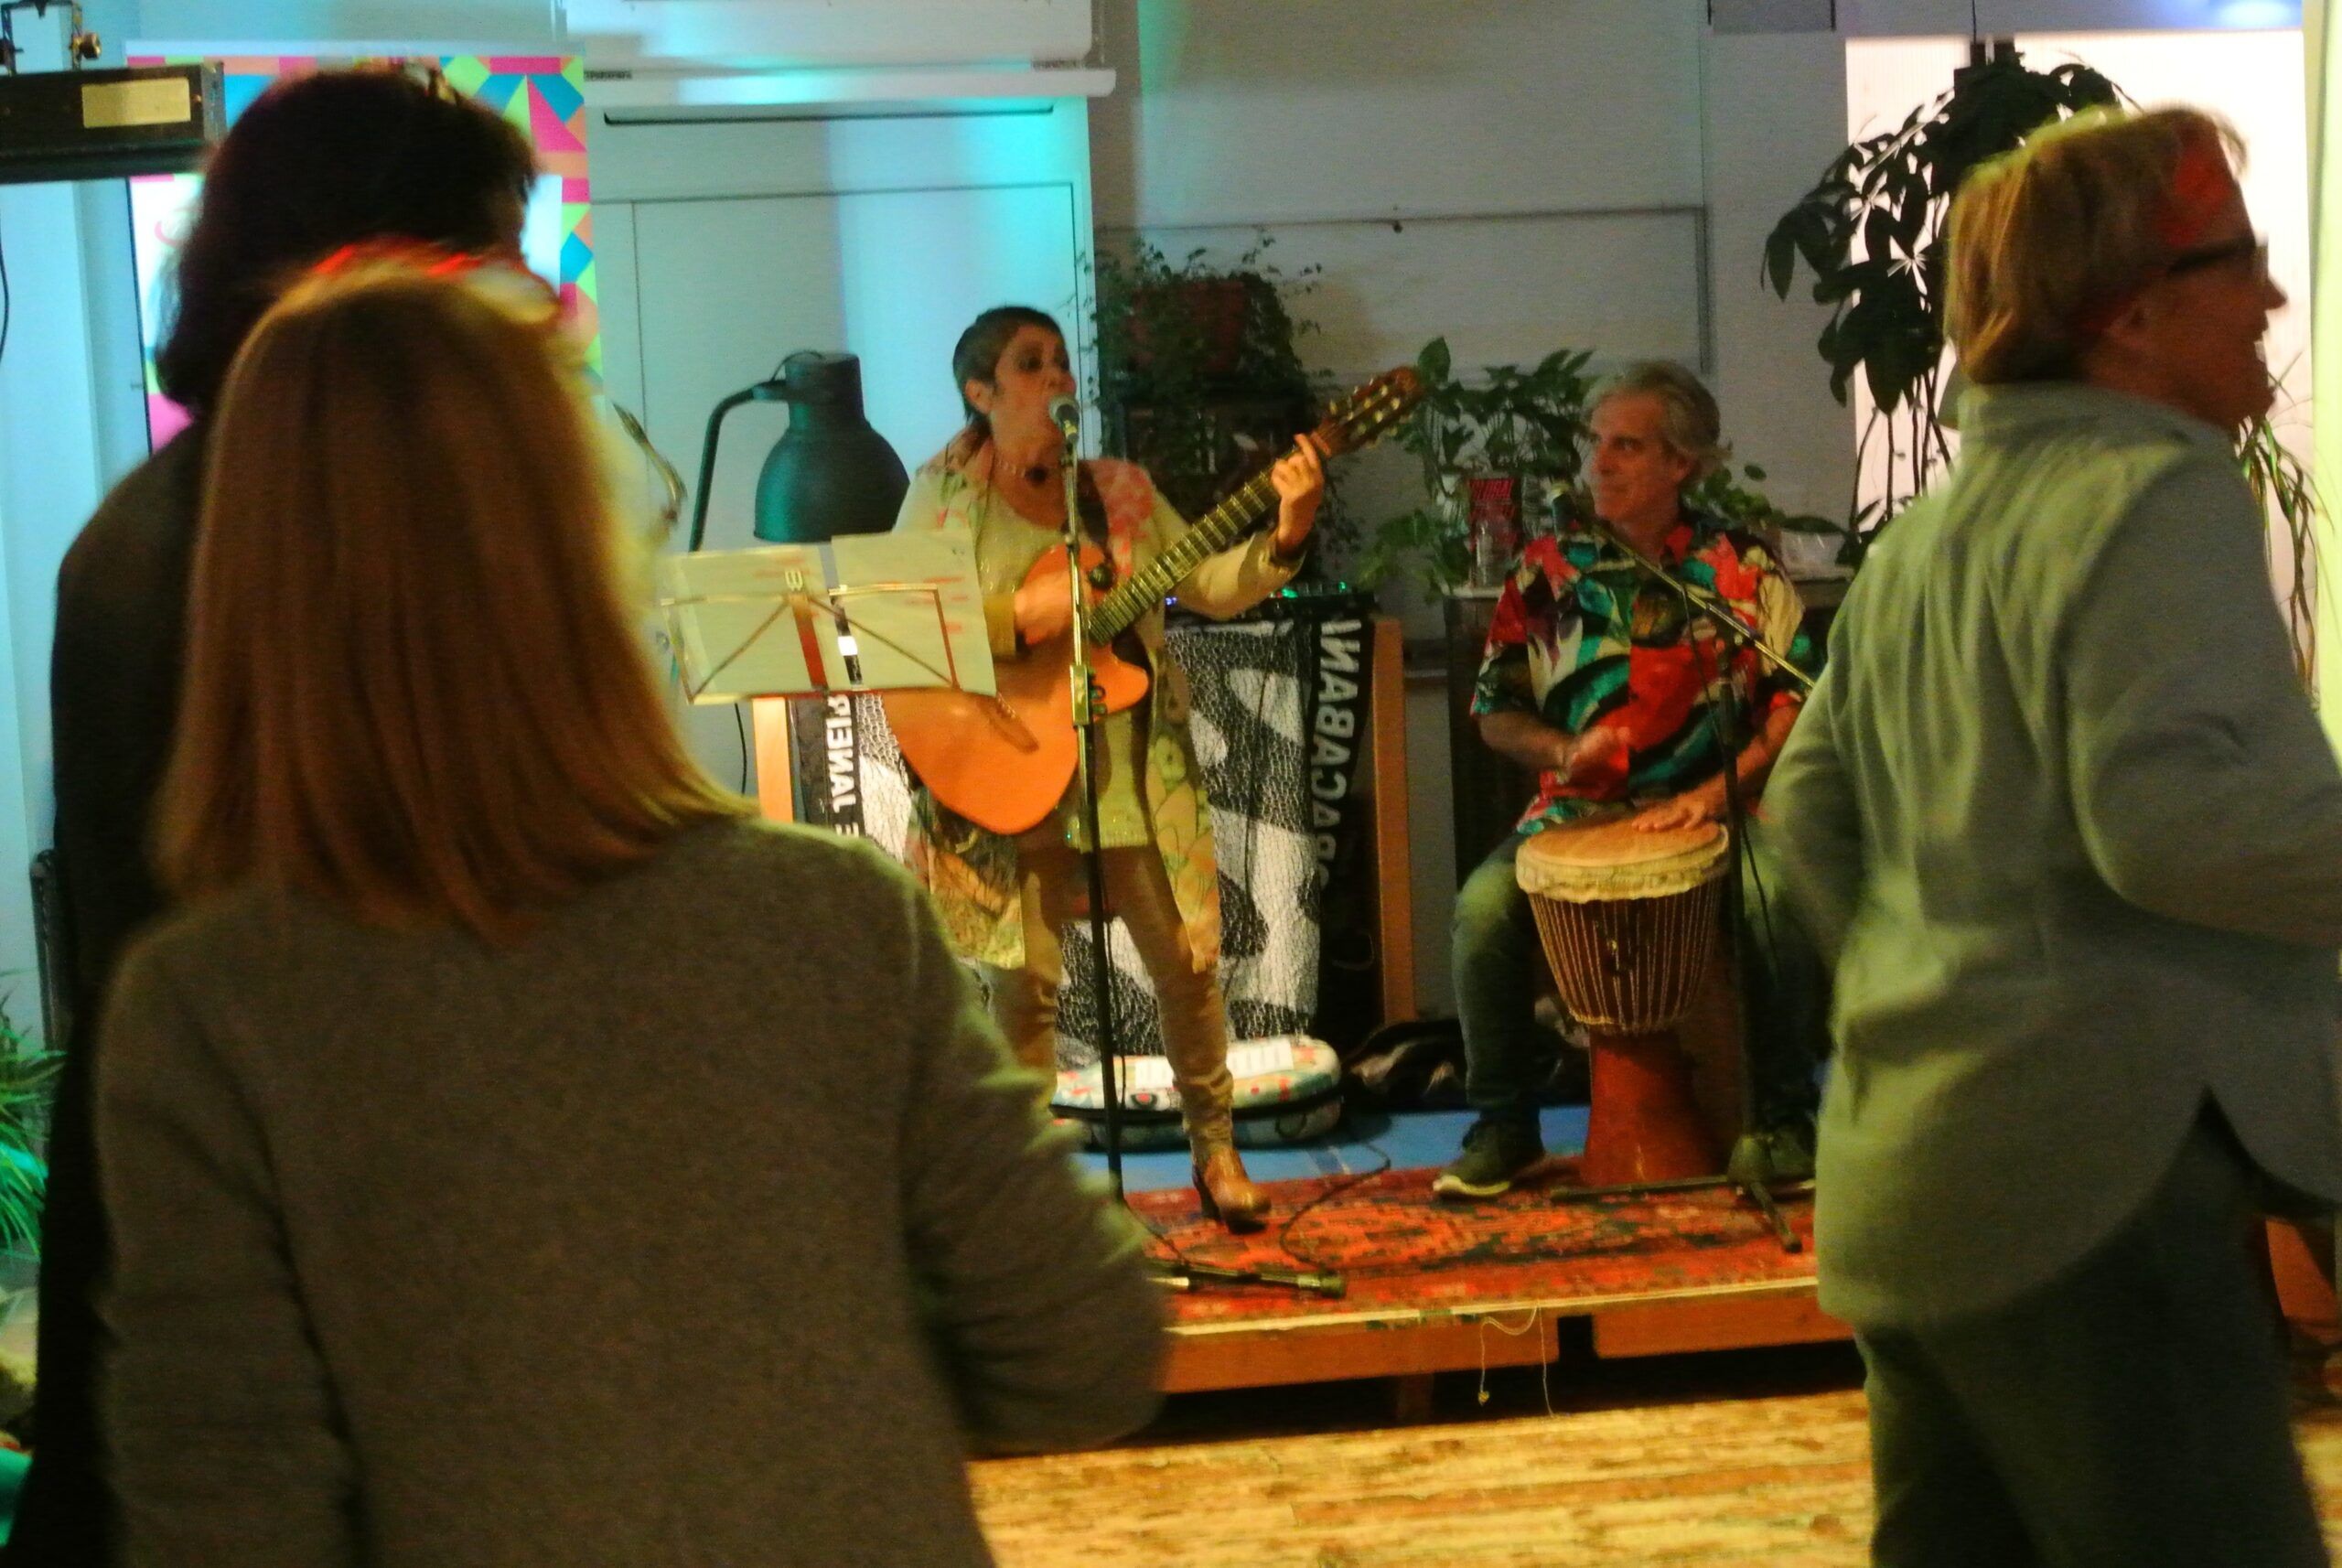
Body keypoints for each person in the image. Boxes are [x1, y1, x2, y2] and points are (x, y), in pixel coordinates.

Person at [92, 253, 1163, 1568]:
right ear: (585, 558)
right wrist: (811, 1366)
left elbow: (229, 1517)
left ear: (243, 587)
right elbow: (1087, 1343)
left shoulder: (208, 1014)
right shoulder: (833, 922)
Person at [1767, 106, 2341, 1566]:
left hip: (1917, 1188)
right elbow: (2174, 825)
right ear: (2132, 314)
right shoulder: (2158, 491)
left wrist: (1934, 1000)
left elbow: (1806, 811)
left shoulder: (1931, 539)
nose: (2272, 296)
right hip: (2096, 1200)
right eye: (2239, 260)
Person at [31, 66, 536, 1565]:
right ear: (364, 288)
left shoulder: (174, 522)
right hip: (268, 1268)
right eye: (489, 265)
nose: (524, 314)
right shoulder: (256, 553)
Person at [893, 306, 1325, 1231]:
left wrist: (1285, 535)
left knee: (1186, 966)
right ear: (980, 392)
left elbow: (1207, 585)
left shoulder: (1118, 492)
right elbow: (905, 627)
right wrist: (1022, 617)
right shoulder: (940, 498)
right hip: (1008, 770)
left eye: (1060, 360)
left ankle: (1217, 1152)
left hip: (1131, 772)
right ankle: (1029, 1190)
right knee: (1025, 990)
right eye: (1030, 363)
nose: (1057, 376)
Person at [1434, 361, 1822, 1199]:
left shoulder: (1740, 567)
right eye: (1596, 443)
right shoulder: (1548, 570)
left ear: (1682, 463)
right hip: (1580, 809)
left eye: (1626, 446)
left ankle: (1786, 1123)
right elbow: (1495, 711)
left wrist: (1714, 795)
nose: (1598, 463)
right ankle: (1505, 1127)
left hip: (1719, 805)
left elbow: (1797, 699)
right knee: (1480, 912)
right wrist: (1564, 751)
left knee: (1777, 903)